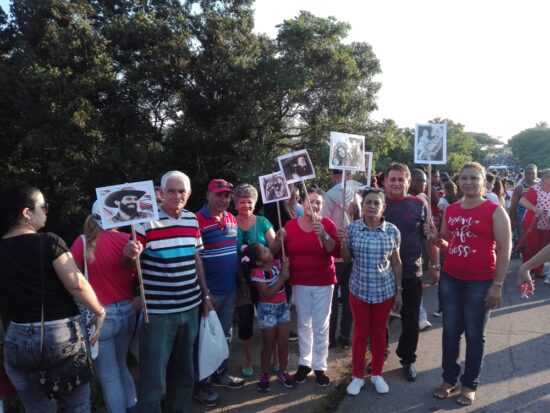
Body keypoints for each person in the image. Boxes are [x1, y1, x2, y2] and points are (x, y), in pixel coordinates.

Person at [0, 185, 106, 412]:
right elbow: (76, 284)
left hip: (17, 337)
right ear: (26, 212)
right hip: (61, 336)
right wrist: (99, 311)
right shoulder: (49, 241)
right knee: (76, 404)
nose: (47, 211)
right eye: (43, 207)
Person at [126, 171, 213, 413]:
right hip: (158, 313)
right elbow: (131, 264)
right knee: (153, 379)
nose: (177, 195)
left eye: (181, 191)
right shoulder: (144, 222)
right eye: (171, 191)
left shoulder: (191, 220)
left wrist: (204, 294)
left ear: (189, 194)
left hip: (190, 308)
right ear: (160, 193)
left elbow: (196, 257)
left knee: (184, 374)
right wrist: (129, 254)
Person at [426, 162, 511, 406]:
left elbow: (506, 249)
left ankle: (469, 384)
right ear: (458, 181)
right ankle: (448, 379)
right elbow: (446, 242)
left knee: (475, 335)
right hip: (452, 277)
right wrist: (434, 239)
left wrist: (498, 284)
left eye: (474, 178)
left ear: (484, 181)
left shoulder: (495, 211)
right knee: (450, 332)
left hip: (481, 281)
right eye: (464, 178)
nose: (468, 182)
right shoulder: (451, 210)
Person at [70, 200, 140, 413]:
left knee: (109, 376)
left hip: (99, 318)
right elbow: (136, 277)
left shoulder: (81, 243)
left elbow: (71, 280)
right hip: (127, 312)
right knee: (121, 366)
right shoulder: (130, 240)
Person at [341, 188, 402, 396]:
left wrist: (399, 291)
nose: (372, 206)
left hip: (384, 292)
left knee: (378, 334)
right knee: (359, 333)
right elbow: (347, 259)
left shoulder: (392, 231)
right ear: (362, 205)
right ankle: (357, 376)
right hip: (359, 290)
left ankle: (377, 374)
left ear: (383, 207)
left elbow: (396, 262)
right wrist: (343, 244)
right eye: (368, 202)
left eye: (377, 203)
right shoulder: (352, 229)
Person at [383, 163, 440, 382]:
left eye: (401, 179)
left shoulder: (419, 204)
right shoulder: (376, 203)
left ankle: (408, 359)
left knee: (411, 319)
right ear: (386, 181)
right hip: (380, 273)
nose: (397, 183)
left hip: (411, 270)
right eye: (393, 179)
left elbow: (430, 237)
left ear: (408, 182)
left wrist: (435, 265)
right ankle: (379, 354)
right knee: (380, 319)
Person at [282, 186, 340, 387]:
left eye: (318, 203)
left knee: (321, 326)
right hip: (300, 282)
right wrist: (279, 240)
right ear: (303, 203)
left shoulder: (327, 224)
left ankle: (320, 366)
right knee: (303, 325)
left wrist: (324, 234)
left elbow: (335, 250)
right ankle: (304, 363)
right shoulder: (289, 226)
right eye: (310, 201)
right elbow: (279, 251)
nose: (314, 205)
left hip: (324, 282)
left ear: (322, 207)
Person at [195, 179, 244, 406]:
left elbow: (233, 253)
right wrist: (204, 293)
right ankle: (202, 384)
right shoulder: (197, 220)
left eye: (227, 196)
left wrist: (240, 283)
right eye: (219, 195)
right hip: (209, 292)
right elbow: (194, 260)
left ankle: (221, 374)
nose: (224, 199)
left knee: (225, 335)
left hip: (229, 288)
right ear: (208, 195)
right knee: (204, 339)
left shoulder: (232, 218)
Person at [233, 183, 281, 377]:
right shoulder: (229, 221)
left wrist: (281, 238)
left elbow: (274, 248)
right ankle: (247, 358)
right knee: (245, 320)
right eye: (242, 202)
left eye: (249, 202)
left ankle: (276, 357)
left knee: (270, 318)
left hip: (264, 280)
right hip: (241, 280)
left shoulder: (262, 222)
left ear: (255, 203)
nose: (246, 205)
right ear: (235, 204)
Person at [241, 243, 294, 392]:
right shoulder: (257, 273)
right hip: (267, 310)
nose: (268, 249)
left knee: (284, 342)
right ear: (258, 262)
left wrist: (286, 266)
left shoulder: (277, 263)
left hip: (282, 307)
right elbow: (268, 293)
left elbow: (286, 270)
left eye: (266, 247)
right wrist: (283, 278)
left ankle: (283, 372)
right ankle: (264, 374)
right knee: (268, 343)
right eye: (264, 251)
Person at [322, 170, 362, 349]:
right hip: (348, 253)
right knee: (347, 297)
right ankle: (343, 336)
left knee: (335, 298)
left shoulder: (330, 195)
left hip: (339, 253)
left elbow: (325, 223)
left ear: (334, 176)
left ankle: (332, 338)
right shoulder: (356, 194)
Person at [519, 168, 550, 279]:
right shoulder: (535, 189)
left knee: (544, 246)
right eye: (548, 177)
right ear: (543, 178)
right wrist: (536, 210)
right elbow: (522, 201)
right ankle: (527, 269)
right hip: (533, 221)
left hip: (547, 222)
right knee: (532, 245)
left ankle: (539, 270)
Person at [510, 164, 538, 253]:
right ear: (524, 174)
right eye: (528, 173)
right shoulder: (520, 188)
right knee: (524, 242)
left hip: (539, 218)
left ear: (536, 174)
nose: (531, 175)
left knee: (537, 242)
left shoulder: (541, 186)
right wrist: (512, 221)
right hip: (522, 220)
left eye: (533, 173)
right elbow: (513, 206)